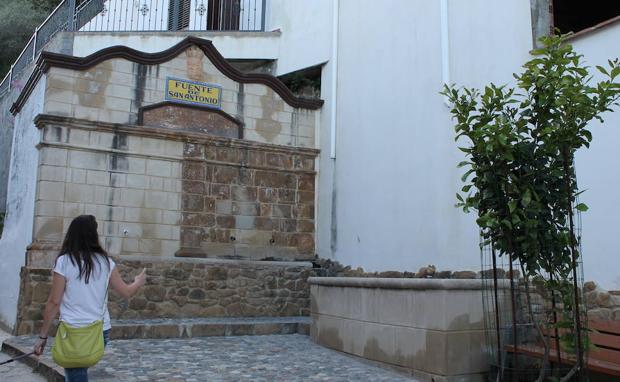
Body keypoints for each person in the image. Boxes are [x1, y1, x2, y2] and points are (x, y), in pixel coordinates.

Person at [33, 215, 146, 382]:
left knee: (76, 375)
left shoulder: (64, 262)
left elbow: (54, 302)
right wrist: (138, 281)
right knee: (77, 374)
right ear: (94, 235)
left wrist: (42, 337)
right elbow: (127, 292)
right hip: (99, 330)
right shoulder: (106, 263)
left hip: (73, 330)